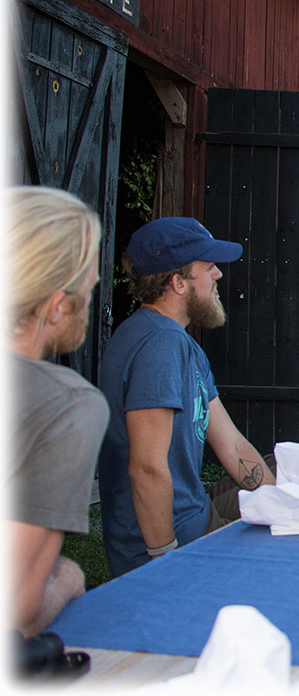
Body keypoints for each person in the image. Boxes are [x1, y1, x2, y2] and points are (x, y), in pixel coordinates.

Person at [97, 217, 275, 576]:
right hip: (176, 541)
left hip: (196, 510)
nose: (219, 276)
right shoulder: (159, 347)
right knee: (296, 563)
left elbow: (232, 445)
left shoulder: (178, 343)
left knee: (289, 471)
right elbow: (146, 468)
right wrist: (167, 564)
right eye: (208, 268)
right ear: (178, 283)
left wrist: (283, 502)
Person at [6, 186, 109, 636]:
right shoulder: (66, 406)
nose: (96, 288)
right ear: (55, 306)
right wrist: (68, 576)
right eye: (88, 282)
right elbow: (17, 608)